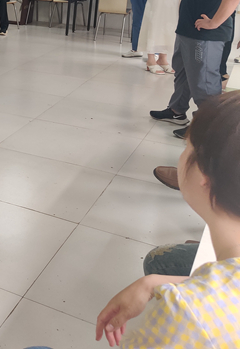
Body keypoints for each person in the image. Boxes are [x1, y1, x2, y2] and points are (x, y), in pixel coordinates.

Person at [94, 93, 240, 348]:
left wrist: (177, 295)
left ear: (204, 175)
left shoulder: (186, 315)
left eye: (187, 147)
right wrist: (153, 283)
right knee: (160, 261)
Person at [150, 0, 240, 190]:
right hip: (188, 29)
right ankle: (177, 110)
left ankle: (206, 153)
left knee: (205, 88)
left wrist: (215, 22)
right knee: (183, 73)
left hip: (206, 35)